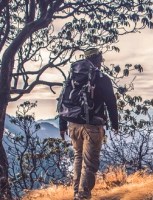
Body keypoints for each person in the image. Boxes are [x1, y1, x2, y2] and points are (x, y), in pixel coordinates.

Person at [59, 48, 118, 200]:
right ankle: (83, 196)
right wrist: (115, 124)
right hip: (92, 126)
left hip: (72, 124)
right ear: (97, 60)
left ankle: (76, 194)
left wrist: (62, 125)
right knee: (90, 163)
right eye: (100, 60)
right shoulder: (101, 78)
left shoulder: (73, 77)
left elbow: (63, 100)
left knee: (78, 157)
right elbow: (111, 103)